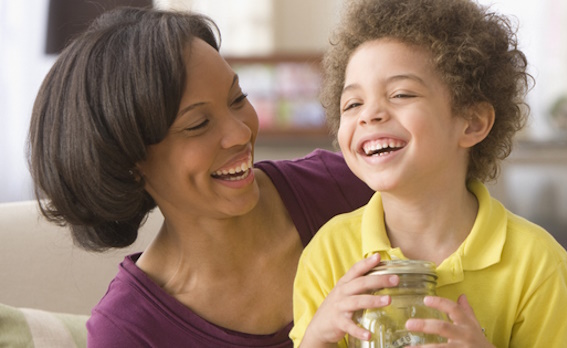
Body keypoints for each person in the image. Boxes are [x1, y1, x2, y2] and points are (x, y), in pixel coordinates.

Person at [27, 7, 373, 347]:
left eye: (237, 99)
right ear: (130, 162)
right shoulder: (130, 332)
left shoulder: (345, 186)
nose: (239, 133)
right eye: (198, 125)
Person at [289, 0, 567, 347]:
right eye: (352, 104)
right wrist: (317, 337)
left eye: (400, 94)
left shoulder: (535, 261)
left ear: (472, 123)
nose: (369, 115)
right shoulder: (329, 251)